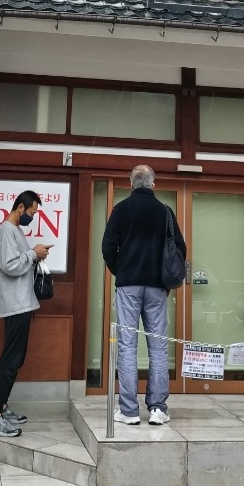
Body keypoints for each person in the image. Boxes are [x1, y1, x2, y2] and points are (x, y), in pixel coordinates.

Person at [102, 164, 186, 426]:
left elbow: (108, 247)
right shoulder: (165, 212)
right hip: (157, 287)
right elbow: (180, 249)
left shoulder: (120, 210)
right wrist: (165, 280)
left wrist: (122, 271)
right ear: (153, 184)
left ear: (131, 184)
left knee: (127, 346)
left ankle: (128, 411)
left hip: (128, 285)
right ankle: (158, 409)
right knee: (158, 347)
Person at [0, 189, 51, 438]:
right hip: (15, 304)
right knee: (10, 360)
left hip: (21, 302)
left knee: (15, 359)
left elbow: (17, 262)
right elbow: (9, 265)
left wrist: (35, 255)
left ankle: (1, 407)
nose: (32, 217)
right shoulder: (6, 230)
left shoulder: (14, 231)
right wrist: (34, 253)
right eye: (32, 212)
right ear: (21, 208)